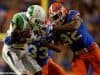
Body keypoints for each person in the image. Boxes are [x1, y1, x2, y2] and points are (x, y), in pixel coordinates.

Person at [48, 2, 100, 75]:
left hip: (92, 49)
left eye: (55, 17)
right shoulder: (57, 29)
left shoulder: (72, 14)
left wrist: (55, 28)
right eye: (53, 18)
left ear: (62, 12)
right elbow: (59, 48)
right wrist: (46, 42)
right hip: (78, 56)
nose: (54, 20)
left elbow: (75, 26)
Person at [2, 5, 46, 75]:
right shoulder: (20, 18)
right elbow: (12, 39)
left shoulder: (35, 24)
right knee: (23, 73)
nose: (39, 24)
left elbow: (42, 34)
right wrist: (31, 39)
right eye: (38, 21)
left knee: (38, 72)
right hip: (11, 50)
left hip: (24, 51)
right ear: (31, 17)